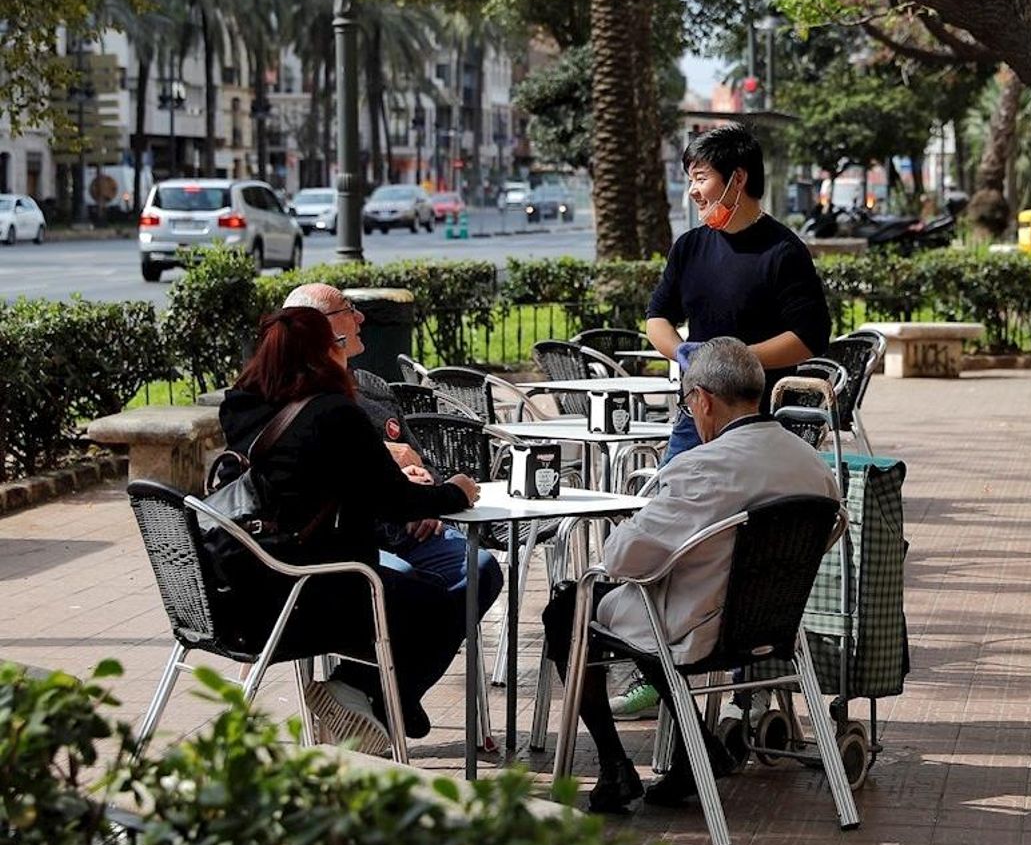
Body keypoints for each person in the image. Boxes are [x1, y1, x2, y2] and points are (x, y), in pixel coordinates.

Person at [541, 339, 840, 813]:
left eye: (687, 403)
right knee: (646, 611)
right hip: (774, 626)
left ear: (701, 400)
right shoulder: (812, 464)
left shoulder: (703, 467)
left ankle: (615, 766)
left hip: (697, 626)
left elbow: (621, 559)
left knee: (568, 606)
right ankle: (695, 748)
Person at [630, 124, 831, 723]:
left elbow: (807, 336)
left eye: (700, 178)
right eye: (689, 178)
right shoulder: (690, 248)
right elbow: (657, 318)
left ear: (736, 179)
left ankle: (753, 684)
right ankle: (658, 667)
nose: (693, 191)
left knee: (751, 553)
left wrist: (734, 360)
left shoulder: (782, 251)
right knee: (670, 536)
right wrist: (683, 355)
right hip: (695, 421)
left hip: (756, 428)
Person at [218, 307, 482, 754]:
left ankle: (375, 698)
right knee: (447, 599)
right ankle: (368, 695)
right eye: (336, 345)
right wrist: (457, 492)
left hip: (244, 589)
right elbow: (393, 501)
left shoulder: (241, 409)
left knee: (430, 587)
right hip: (317, 590)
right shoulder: (333, 414)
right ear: (325, 352)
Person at [281, 284, 503, 617]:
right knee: (406, 588)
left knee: (481, 567)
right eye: (347, 309)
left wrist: (427, 494)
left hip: (411, 529)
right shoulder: (293, 400)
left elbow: (420, 459)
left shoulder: (374, 388)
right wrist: (389, 466)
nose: (360, 317)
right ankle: (386, 664)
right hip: (347, 540)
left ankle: (404, 660)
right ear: (318, 326)